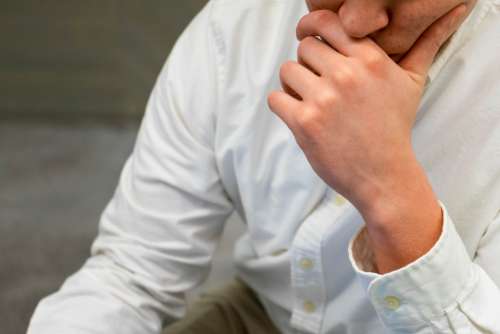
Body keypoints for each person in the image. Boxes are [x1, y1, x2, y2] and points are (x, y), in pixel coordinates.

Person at [28, 0, 500, 333]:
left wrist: (389, 188)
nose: (355, 21)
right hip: (271, 313)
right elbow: (130, 276)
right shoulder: (233, 29)